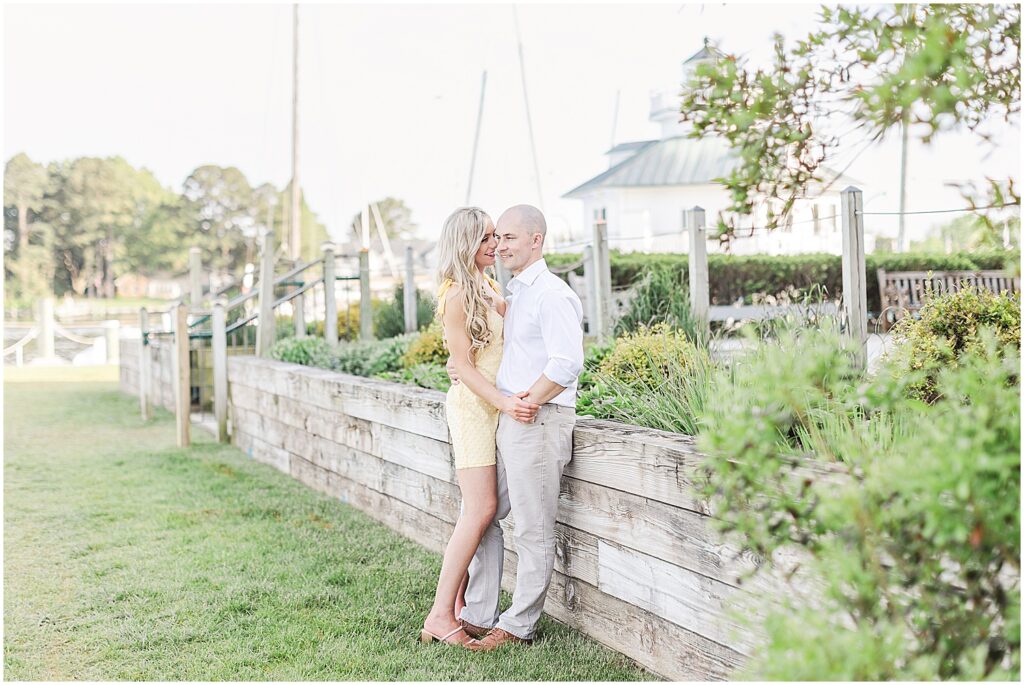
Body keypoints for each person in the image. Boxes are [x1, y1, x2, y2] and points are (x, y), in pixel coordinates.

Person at [452, 204, 585, 651]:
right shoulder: (518, 292)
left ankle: (519, 625)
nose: (500, 245)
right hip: (511, 417)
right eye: (497, 237)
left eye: (510, 237)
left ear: (536, 240)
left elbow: (567, 364)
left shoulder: (552, 293)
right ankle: (477, 612)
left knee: (532, 528)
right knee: (486, 514)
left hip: (538, 420)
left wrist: (528, 401)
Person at [420, 207, 540, 647]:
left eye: (496, 236)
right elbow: (466, 370)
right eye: (487, 237)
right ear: (466, 242)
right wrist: (505, 403)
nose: (495, 244)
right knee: (480, 510)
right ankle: (439, 614)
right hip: (474, 411)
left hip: (495, 407)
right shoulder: (454, 295)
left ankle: (455, 609)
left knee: (483, 512)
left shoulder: (487, 285)